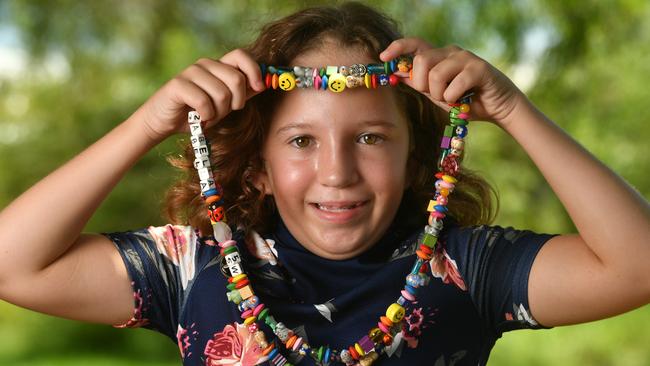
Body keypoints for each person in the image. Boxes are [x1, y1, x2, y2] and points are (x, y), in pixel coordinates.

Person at [0, 2, 648, 366]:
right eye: (301, 141)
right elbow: (11, 264)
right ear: (257, 165)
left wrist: (514, 110)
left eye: (370, 138)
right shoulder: (193, 268)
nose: (336, 173)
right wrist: (146, 123)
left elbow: (638, 266)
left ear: (417, 160)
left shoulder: (466, 269)